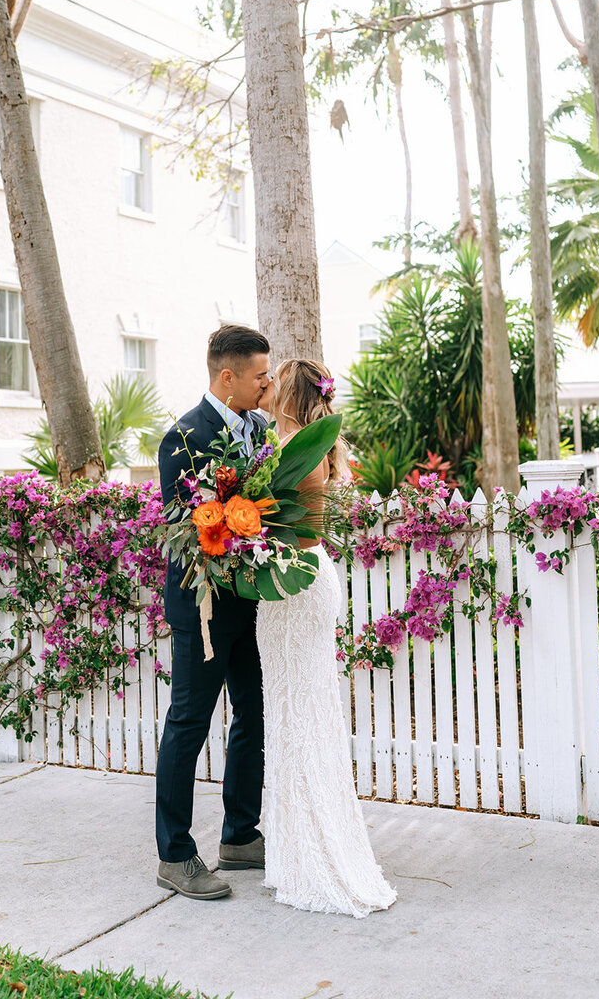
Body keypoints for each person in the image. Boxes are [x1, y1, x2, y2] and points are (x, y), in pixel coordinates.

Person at [256, 358, 398, 918]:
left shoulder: (295, 449)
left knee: (300, 711)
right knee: (297, 711)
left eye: (274, 379)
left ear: (290, 392)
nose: (265, 384)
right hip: (305, 575)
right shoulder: (291, 442)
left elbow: (273, 522)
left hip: (295, 583)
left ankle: (318, 853)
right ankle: (298, 847)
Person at [155, 324, 271, 900]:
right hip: (202, 608)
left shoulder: (260, 433)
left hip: (252, 606)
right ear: (228, 378)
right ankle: (175, 855)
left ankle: (239, 836)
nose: (266, 384)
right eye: (258, 375)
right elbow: (188, 528)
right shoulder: (181, 438)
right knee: (189, 724)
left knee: (254, 714)